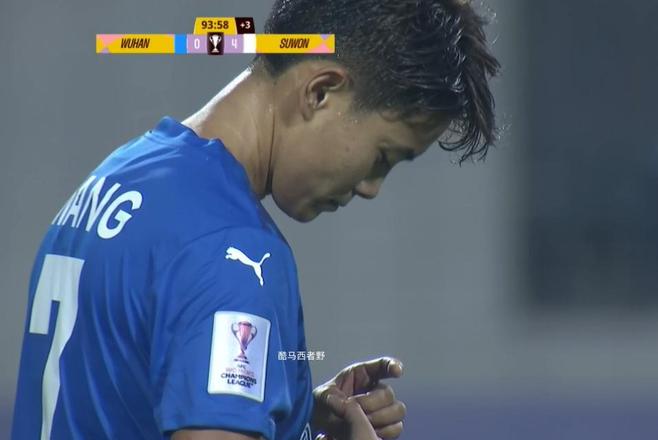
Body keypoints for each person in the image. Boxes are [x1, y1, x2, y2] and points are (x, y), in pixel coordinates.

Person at [12, 0, 499, 438]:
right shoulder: (234, 252)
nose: (371, 188)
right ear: (321, 91)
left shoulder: (118, 179)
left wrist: (286, 411)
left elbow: (119, 395)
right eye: (382, 157)